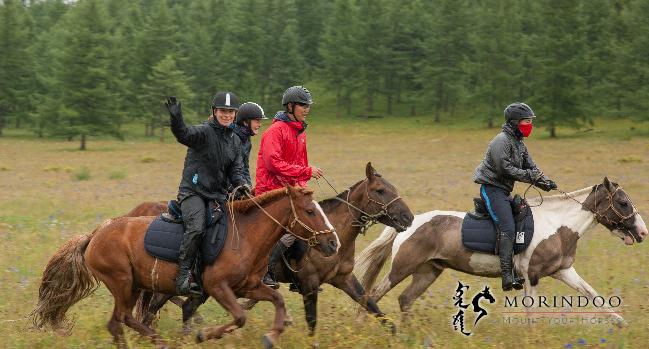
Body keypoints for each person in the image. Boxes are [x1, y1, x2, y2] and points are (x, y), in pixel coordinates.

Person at [165, 92, 251, 295]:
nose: (227, 115)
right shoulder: (203, 132)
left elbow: (236, 171)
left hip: (216, 195)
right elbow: (183, 134)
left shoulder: (235, 141)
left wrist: (242, 185)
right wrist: (176, 119)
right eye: (223, 111)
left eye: (230, 112)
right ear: (215, 111)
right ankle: (183, 275)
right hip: (193, 192)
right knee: (196, 227)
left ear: (235, 114)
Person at [473, 102, 557, 291]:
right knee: (508, 228)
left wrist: (544, 181)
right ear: (514, 122)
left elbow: (530, 166)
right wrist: (531, 177)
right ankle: (506, 275)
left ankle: (518, 267)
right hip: (491, 189)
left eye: (530, 122)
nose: (530, 125)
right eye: (526, 121)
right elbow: (505, 169)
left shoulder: (519, 142)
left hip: (504, 191)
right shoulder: (501, 141)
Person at [255, 86, 323, 289]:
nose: (306, 109)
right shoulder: (275, 131)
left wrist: (303, 189)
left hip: (290, 192)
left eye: (308, 105)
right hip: (271, 192)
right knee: (293, 230)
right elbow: (272, 164)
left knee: (309, 225)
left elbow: (301, 164)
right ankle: (265, 270)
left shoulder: (300, 132)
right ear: (290, 106)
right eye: (303, 105)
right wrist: (306, 172)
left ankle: (296, 278)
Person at [231, 102, 267, 188]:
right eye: (257, 121)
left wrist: (249, 187)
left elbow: (245, 168)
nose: (260, 124)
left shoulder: (247, 140)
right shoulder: (232, 139)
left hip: (238, 183)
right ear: (245, 122)